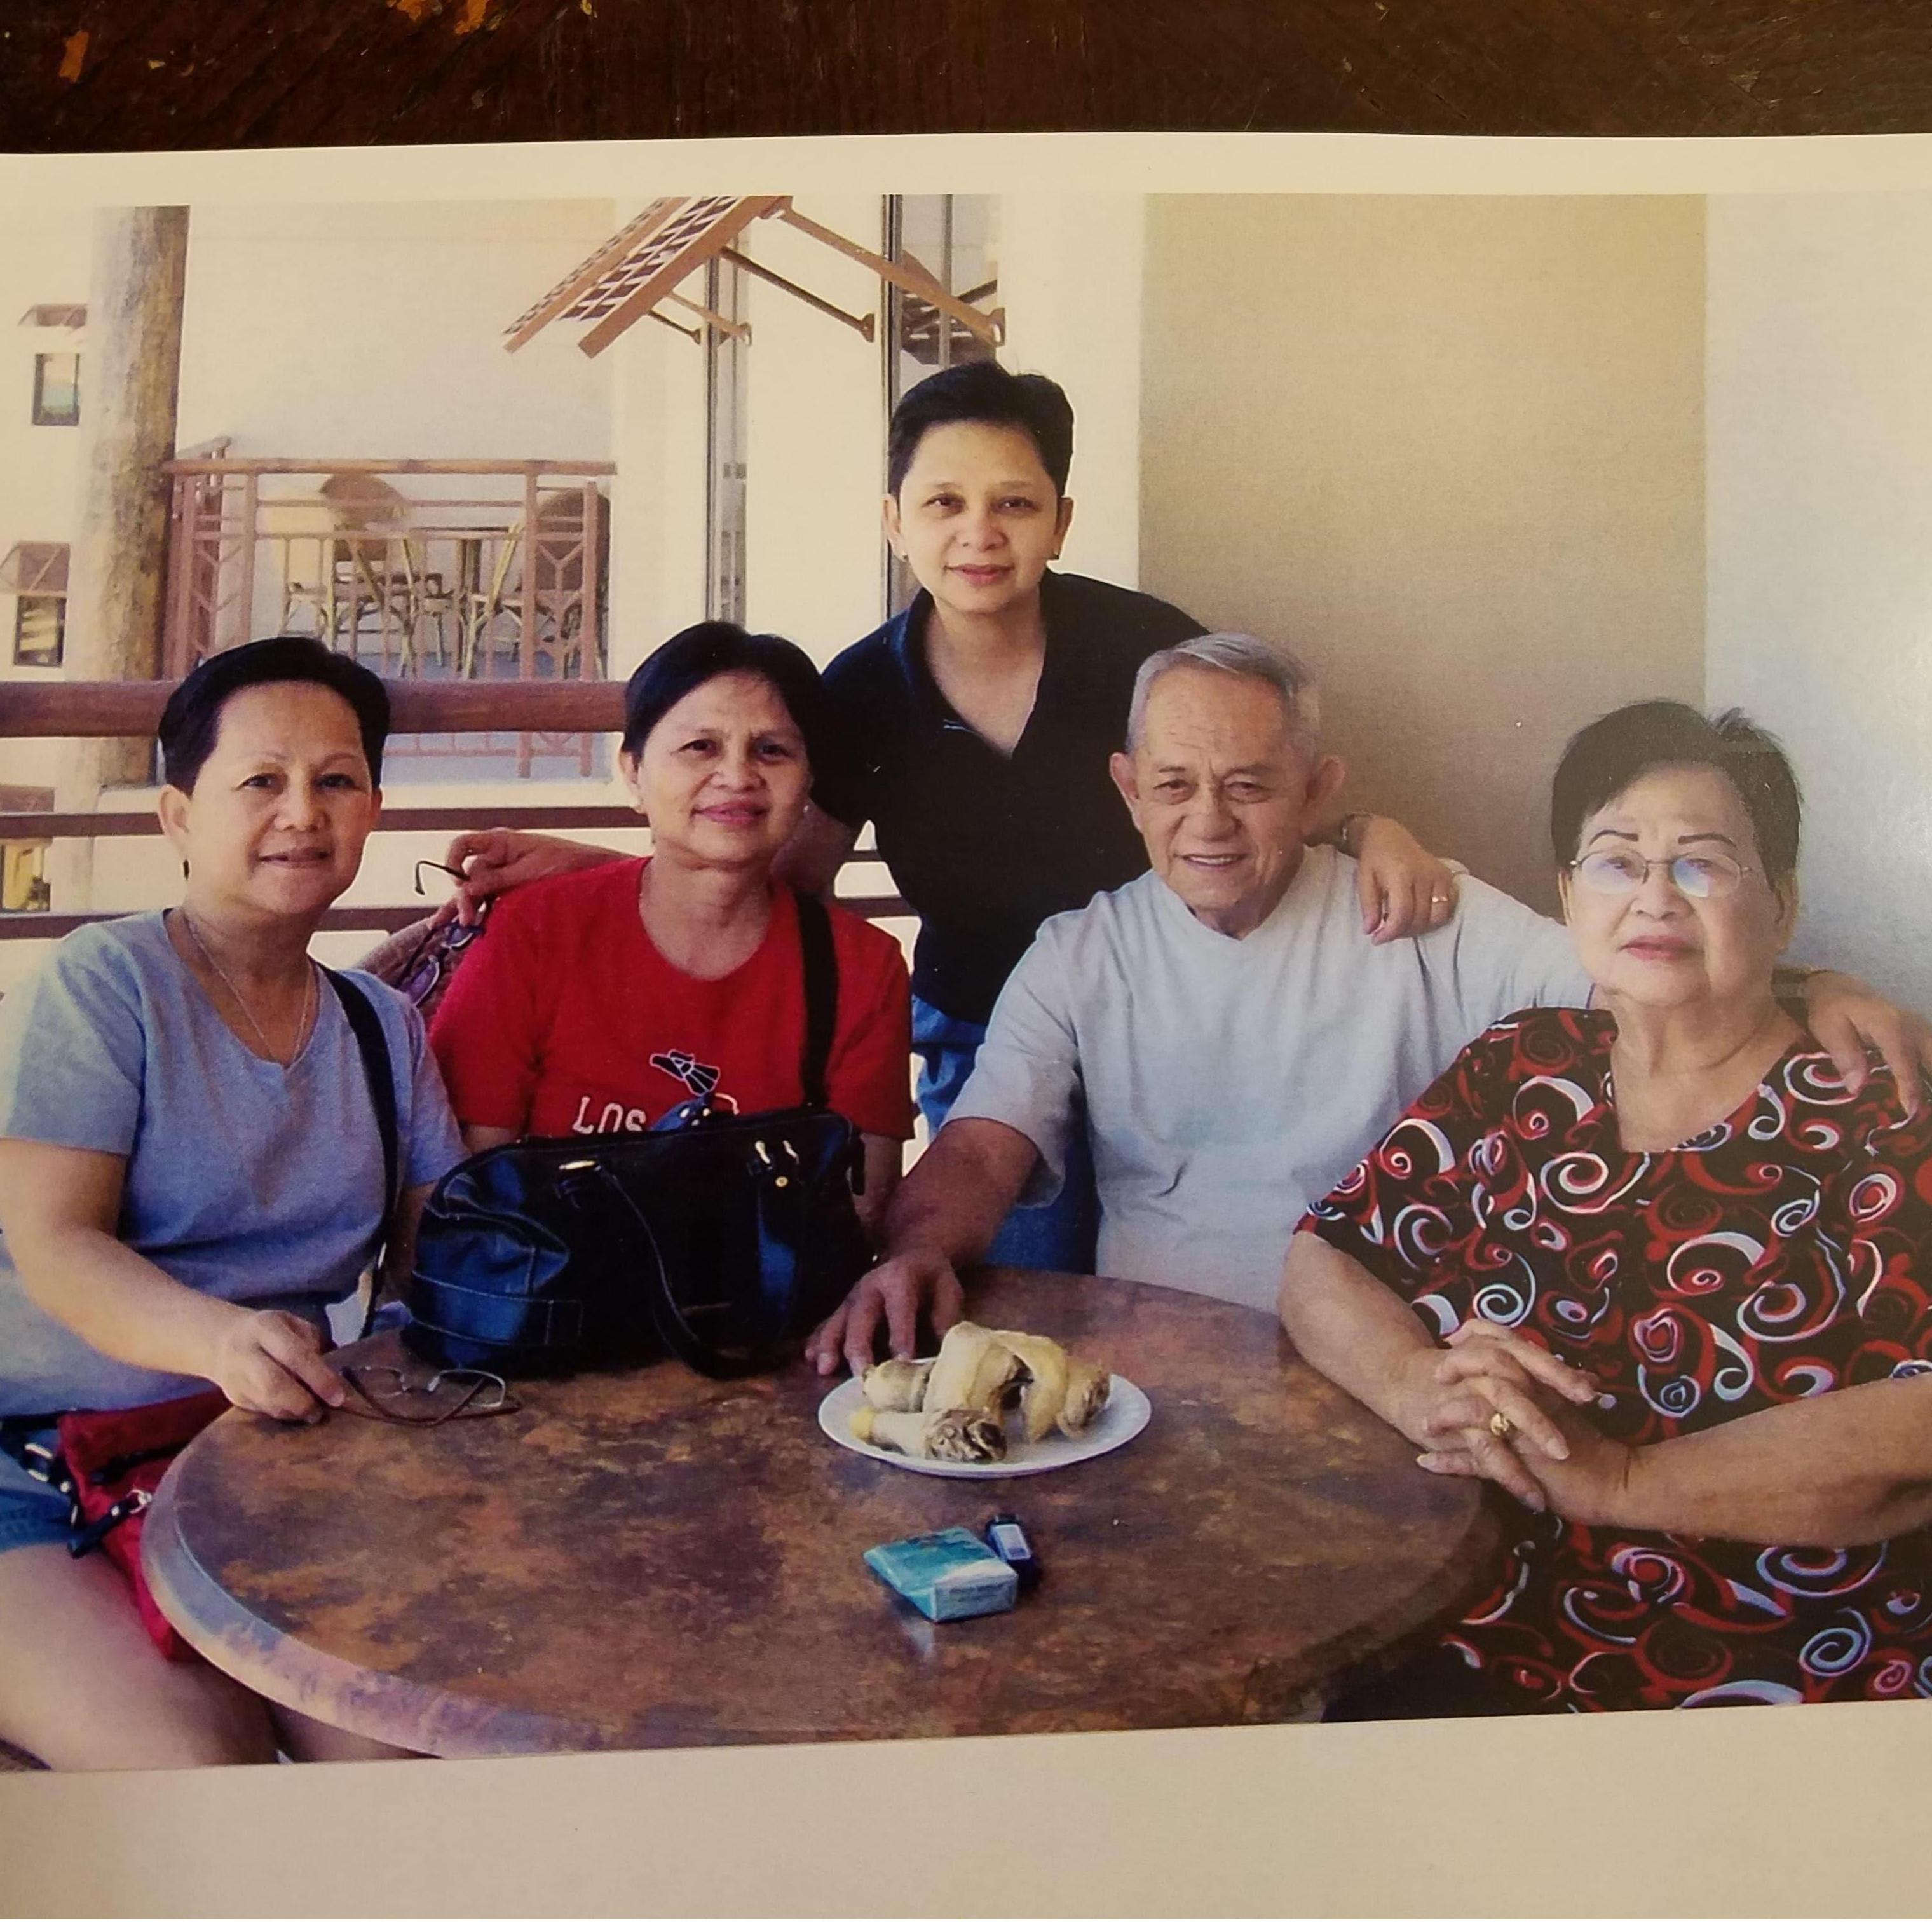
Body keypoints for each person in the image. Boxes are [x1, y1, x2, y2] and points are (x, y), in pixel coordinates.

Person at [440, 363, 1457, 1270]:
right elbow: (785, 874)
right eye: (944, 502)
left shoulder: (1142, 649)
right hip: (980, 1036)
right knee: (1015, 1292)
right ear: (896, 522)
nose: (979, 533)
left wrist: (1374, 832)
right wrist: (605, 869)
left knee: (1194, 1268)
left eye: (1014, 503)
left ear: (1061, 521)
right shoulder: (864, 691)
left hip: (1165, 1020)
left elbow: (1250, 787)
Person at [808, 639, 1932, 1376]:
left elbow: (1638, 962)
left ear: (1319, 789)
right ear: (1127, 790)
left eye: (1249, 785)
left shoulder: (1421, 910)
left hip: (1379, 1369)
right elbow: (983, 1145)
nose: (1208, 821)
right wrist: (913, 1253)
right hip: (1156, 1373)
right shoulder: (1079, 953)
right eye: (1173, 786)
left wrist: (1805, 982)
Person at [1280, 701, 1932, 1715]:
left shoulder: (1880, 1109)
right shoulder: (1522, 1064)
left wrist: (1620, 1483)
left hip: (1775, 1670)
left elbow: (1911, 1439)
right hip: (1471, 1624)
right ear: (1569, 896)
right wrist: (1415, 1383)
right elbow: (1327, 1255)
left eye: (1704, 863)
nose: (1656, 898)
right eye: (1619, 861)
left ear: (1785, 905)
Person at [0, 636, 467, 1771]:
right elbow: (54, 1244)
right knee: (200, 1776)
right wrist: (220, 1340)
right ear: (176, 815)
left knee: (401, 1755)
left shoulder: (380, 1026)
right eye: (260, 780)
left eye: (337, 780)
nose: (302, 812)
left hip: (262, 1474)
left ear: (373, 809)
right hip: (38, 1470)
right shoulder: (105, 986)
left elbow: (445, 1256)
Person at [426, 622, 914, 1231]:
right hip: (547, 1306)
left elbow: (860, 1209)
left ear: (809, 780)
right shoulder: (536, 932)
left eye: (772, 750)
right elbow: (463, 1187)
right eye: (700, 747)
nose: (737, 776)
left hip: (762, 1319)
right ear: (632, 773)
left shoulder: (862, 968)